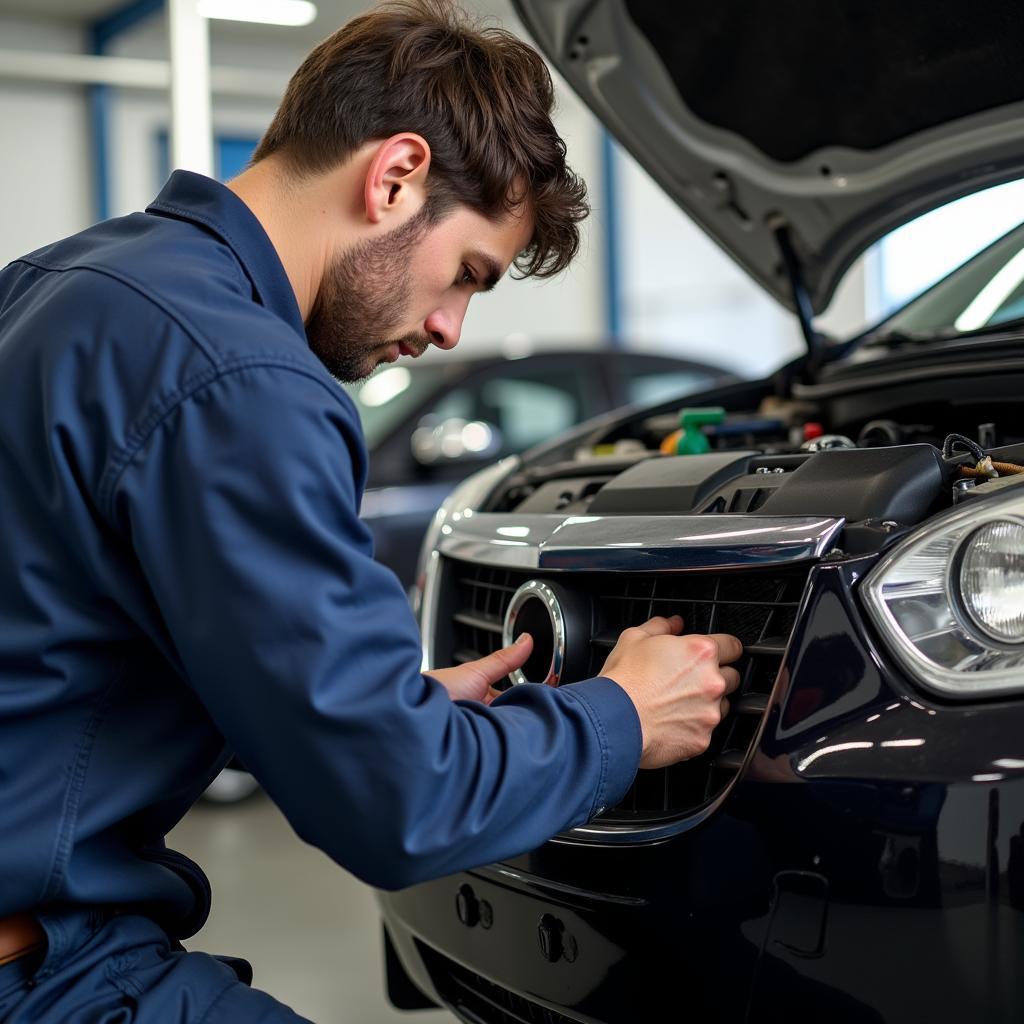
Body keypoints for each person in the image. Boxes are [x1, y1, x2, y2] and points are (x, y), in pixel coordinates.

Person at [0, 1, 742, 1020]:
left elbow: (59, 649)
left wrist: (377, 702)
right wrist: (623, 715)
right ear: (394, 178)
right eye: (466, 276)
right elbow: (397, 805)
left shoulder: (60, 287)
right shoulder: (242, 377)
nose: (447, 327)